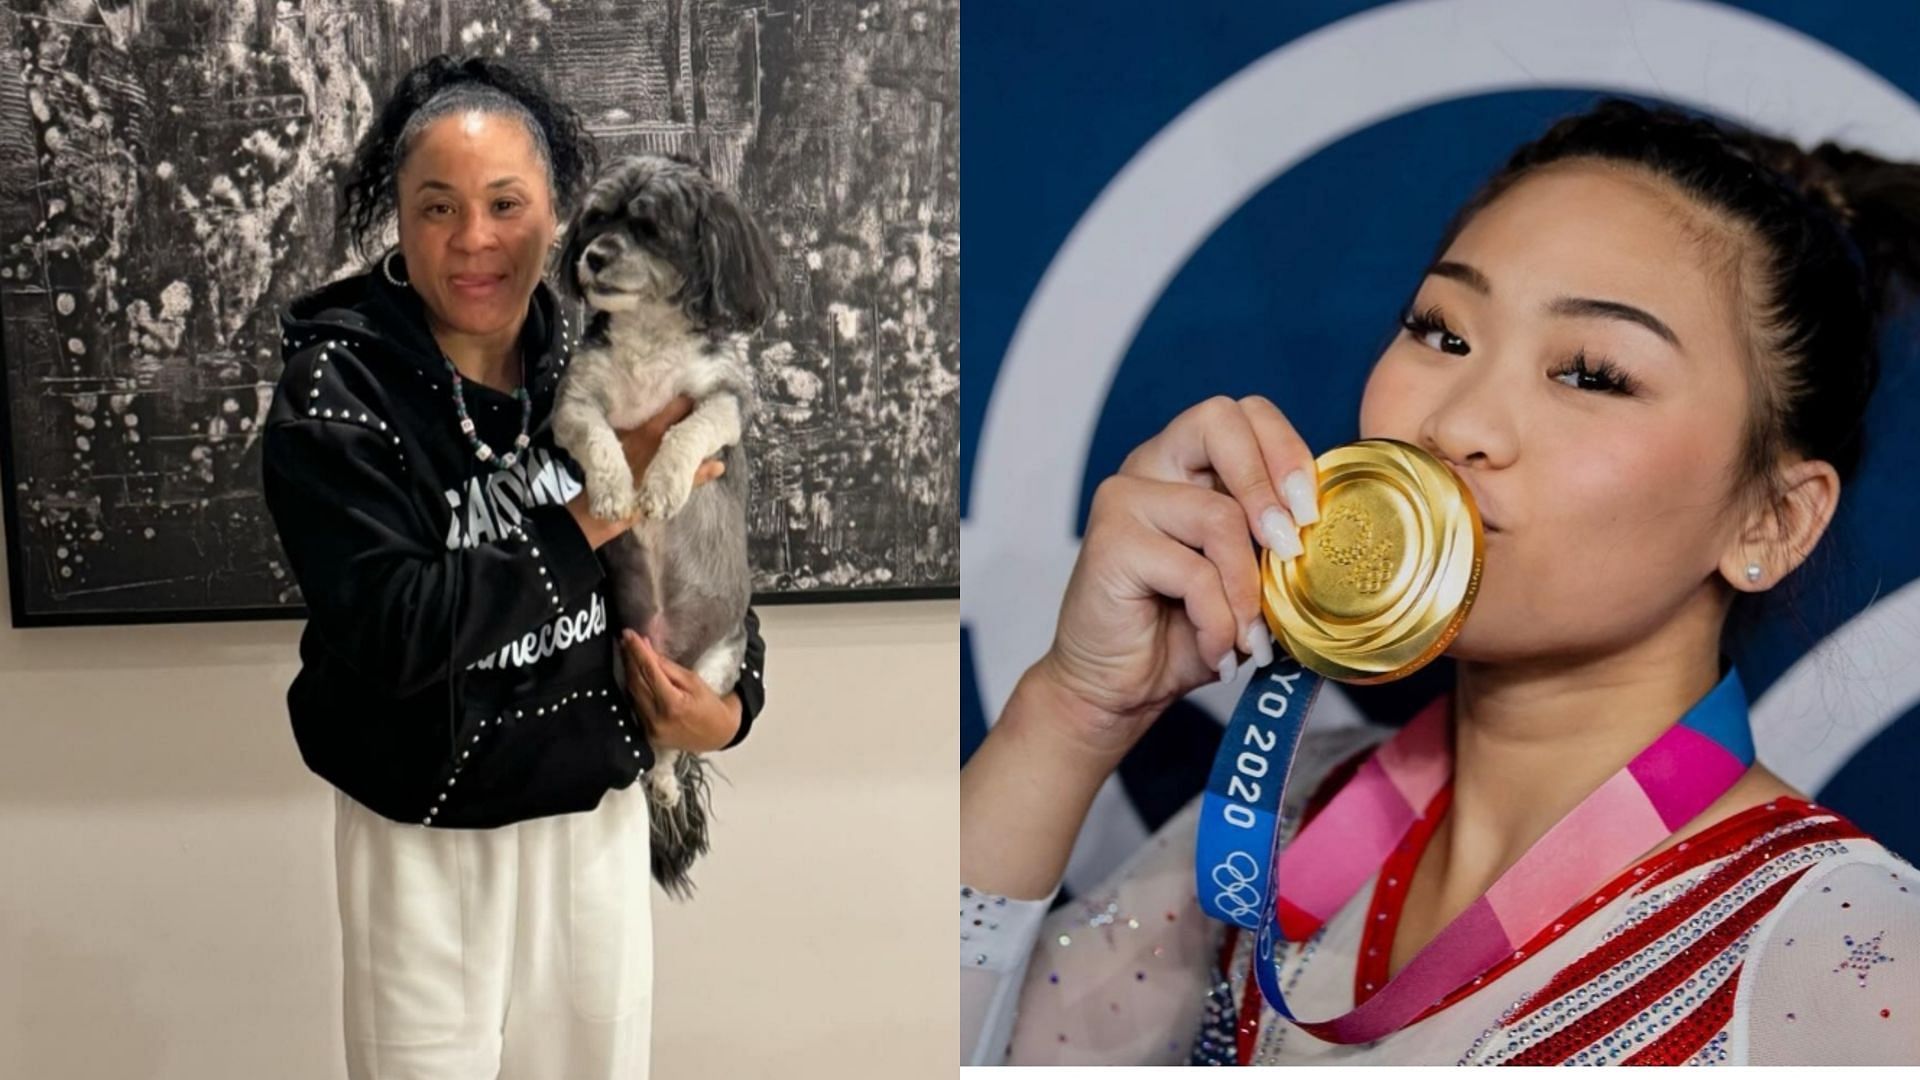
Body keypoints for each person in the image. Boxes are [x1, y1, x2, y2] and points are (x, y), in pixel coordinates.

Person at [960, 100, 1920, 1066]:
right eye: (1442, 331)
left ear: (1773, 520)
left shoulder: (1853, 958)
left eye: (1589, 373)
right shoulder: (1278, 827)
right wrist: (1073, 712)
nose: (1457, 421)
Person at [260, 55, 766, 1079]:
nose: (474, 239)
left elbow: (708, 557)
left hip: (595, 819)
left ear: (554, 214)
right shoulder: (337, 390)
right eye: (437, 207)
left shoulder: (613, 354)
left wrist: (730, 711)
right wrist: (584, 514)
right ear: (396, 216)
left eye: (505, 203)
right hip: (428, 830)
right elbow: (397, 631)